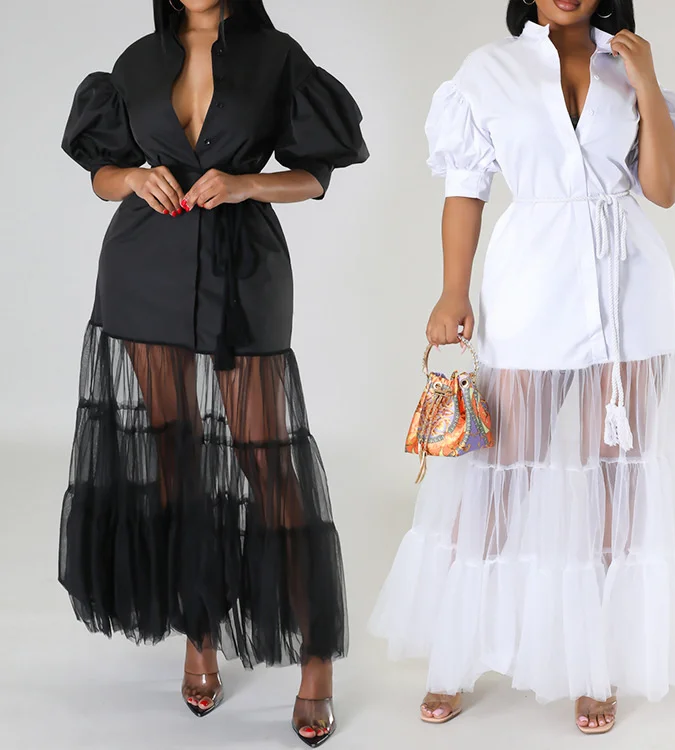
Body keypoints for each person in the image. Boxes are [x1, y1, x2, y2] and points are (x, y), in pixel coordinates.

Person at [370, 0, 675, 735]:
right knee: (498, 477)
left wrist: (647, 80)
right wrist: (453, 290)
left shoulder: (626, 66)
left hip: (630, 294)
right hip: (528, 287)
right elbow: (465, 189)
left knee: (618, 480)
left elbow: (662, 188)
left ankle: (597, 665)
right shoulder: (488, 71)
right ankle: (457, 655)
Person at [59, 0, 367, 744]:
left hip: (242, 271)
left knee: (272, 466)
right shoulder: (138, 60)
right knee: (175, 463)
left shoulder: (277, 55)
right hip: (145, 270)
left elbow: (315, 176)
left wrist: (245, 185)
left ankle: (316, 658)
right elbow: (101, 174)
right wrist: (133, 178)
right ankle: (199, 635)